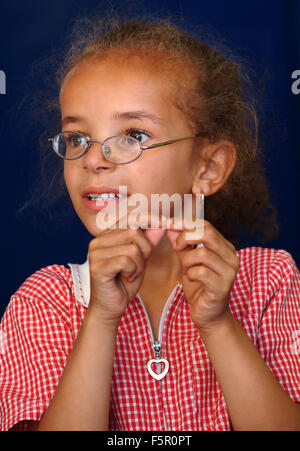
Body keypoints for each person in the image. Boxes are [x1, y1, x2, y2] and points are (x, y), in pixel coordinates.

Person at [1, 15, 300, 432]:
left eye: (134, 135)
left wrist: (218, 324)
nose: (93, 158)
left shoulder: (269, 282)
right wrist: (102, 319)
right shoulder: (44, 302)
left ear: (208, 167)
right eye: (76, 139)